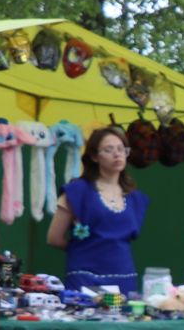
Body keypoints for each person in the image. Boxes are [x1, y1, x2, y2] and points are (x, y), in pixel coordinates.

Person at [47, 125, 149, 294]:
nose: (117, 154)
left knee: (123, 317)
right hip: (85, 275)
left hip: (124, 276)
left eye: (121, 149)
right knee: (86, 317)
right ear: (94, 156)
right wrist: (85, 249)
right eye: (109, 150)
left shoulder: (135, 198)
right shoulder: (77, 191)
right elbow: (53, 238)